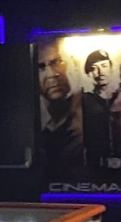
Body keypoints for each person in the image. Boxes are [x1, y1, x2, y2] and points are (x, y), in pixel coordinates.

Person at [36, 40, 86, 174]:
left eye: (57, 62)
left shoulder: (91, 110)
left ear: (74, 64)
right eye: (41, 67)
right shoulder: (37, 127)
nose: (52, 74)